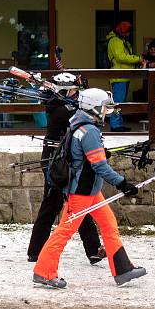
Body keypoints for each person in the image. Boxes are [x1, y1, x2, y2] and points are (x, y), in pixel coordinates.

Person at [33, 88, 146, 289]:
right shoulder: (90, 131)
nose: (106, 112)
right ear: (93, 107)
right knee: (64, 231)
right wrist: (122, 183)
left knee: (109, 224)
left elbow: (88, 155)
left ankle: (123, 269)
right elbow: (99, 165)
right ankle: (44, 272)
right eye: (104, 108)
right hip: (81, 192)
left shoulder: (79, 123)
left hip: (91, 191)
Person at [27, 73, 104, 265]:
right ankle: (37, 251)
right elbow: (82, 120)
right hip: (57, 162)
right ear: (65, 91)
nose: (78, 96)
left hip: (60, 159)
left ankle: (92, 249)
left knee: (71, 204)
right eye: (74, 92)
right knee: (61, 204)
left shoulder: (62, 106)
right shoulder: (63, 110)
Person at [106, 22, 142, 132]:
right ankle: (115, 125)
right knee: (118, 102)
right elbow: (121, 57)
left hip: (123, 76)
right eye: (127, 32)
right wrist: (137, 59)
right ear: (122, 31)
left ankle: (118, 124)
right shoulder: (115, 41)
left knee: (120, 103)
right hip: (119, 76)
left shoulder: (121, 41)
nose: (128, 34)